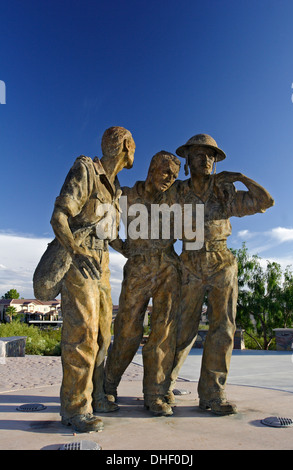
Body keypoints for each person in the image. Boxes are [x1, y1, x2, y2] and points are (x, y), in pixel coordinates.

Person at [168, 134, 274, 415]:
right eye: (198, 154)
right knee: (181, 328)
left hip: (221, 261)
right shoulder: (177, 191)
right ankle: (162, 388)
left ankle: (213, 395)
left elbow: (266, 201)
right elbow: (152, 213)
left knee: (223, 329)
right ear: (187, 161)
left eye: (210, 155)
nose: (205, 159)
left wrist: (239, 177)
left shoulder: (224, 192)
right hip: (188, 260)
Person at [49, 126, 135, 433]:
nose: (133, 151)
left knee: (102, 336)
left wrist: (132, 249)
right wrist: (75, 250)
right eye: (132, 145)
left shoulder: (116, 189)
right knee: (81, 335)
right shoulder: (86, 168)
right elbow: (59, 216)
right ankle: (75, 408)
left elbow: (109, 236)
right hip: (80, 260)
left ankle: (97, 396)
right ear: (125, 146)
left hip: (103, 264)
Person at [104, 151, 181, 416]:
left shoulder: (175, 200)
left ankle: (154, 394)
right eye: (166, 172)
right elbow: (104, 222)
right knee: (126, 331)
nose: (170, 179)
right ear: (151, 169)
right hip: (138, 269)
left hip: (168, 268)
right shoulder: (125, 196)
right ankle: (108, 386)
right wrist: (121, 246)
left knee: (163, 333)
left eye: (174, 176)